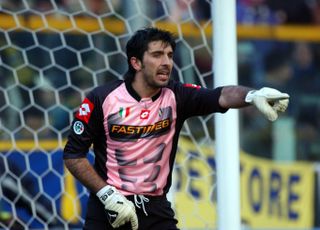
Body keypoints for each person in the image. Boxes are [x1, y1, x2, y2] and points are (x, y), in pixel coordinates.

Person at [63, 27, 289, 230]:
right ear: (136, 63)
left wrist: (252, 95)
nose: (166, 62)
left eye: (170, 55)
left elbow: (221, 94)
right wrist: (107, 193)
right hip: (109, 208)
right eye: (157, 55)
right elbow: (73, 155)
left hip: (156, 210)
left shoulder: (177, 95)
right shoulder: (102, 99)